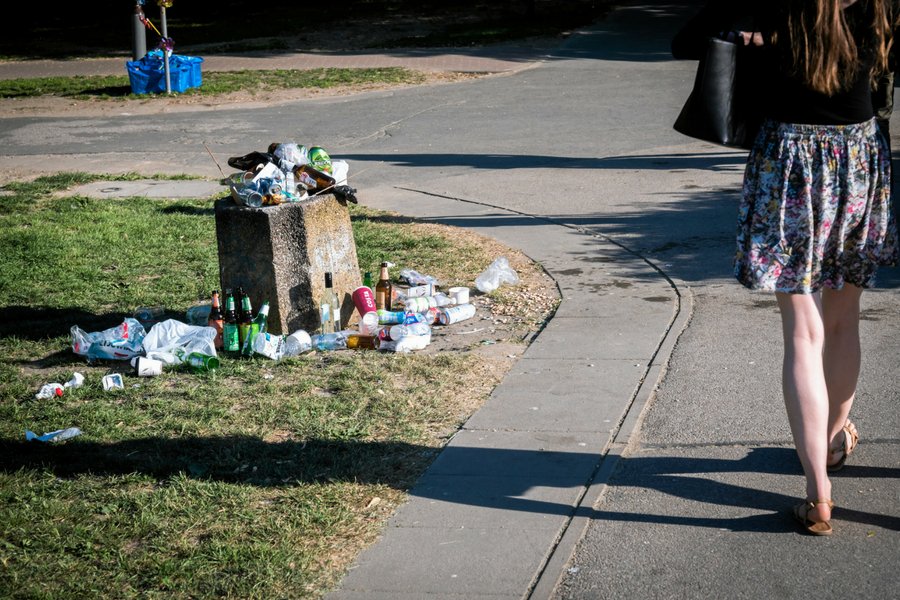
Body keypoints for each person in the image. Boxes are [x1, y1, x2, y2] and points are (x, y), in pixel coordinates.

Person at [676, 0, 899, 536]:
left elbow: (688, 41)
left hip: (789, 164)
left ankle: (818, 490)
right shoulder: (882, 7)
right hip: (860, 164)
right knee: (844, 320)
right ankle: (833, 439)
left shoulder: (775, 5)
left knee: (802, 334)